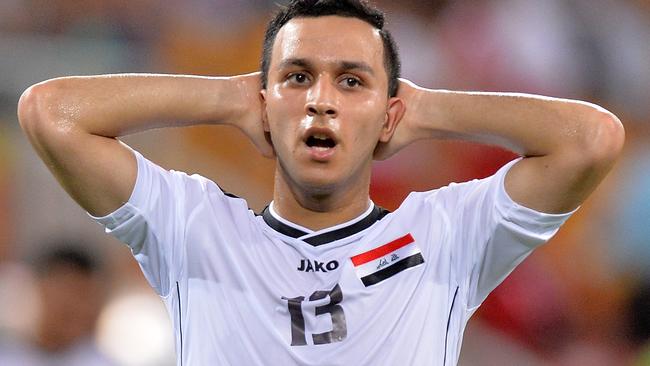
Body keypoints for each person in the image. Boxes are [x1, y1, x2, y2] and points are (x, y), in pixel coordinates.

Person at [16, 0, 624, 365]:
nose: (321, 103)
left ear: (389, 113)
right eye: (298, 77)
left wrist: (422, 110)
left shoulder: (444, 236)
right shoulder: (193, 227)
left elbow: (591, 139)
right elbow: (50, 113)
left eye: (352, 82)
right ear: (264, 105)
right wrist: (229, 98)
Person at [0, 243, 115, 366]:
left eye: (84, 296)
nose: (77, 307)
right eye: (66, 291)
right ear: (41, 289)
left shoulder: (100, 361)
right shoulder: (8, 356)